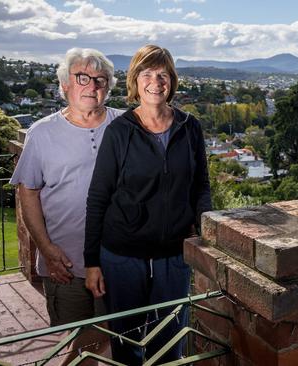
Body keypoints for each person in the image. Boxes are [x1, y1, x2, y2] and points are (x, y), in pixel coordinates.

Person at [84, 44, 211, 364]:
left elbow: (201, 187)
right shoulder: (119, 132)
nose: (156, 81)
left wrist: (207, 234)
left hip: (173, 255)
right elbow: (98, 197)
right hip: (123, 256)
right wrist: (91, 262)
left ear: (172, 81)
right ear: (135, 81)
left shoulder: (189, 127)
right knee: (127, 344)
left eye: (163, 74)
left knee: (171, 342)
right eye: (147, 74)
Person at [10, 48, 122, 365]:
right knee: (80, 339)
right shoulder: (41, 134)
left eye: (100, 80)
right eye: (82, 77)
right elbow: (28, 193)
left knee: (113, 335)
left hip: (117, 261)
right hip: (65, 264)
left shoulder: (124, 126)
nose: (92, 85)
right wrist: (45, 249)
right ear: (64, 86)